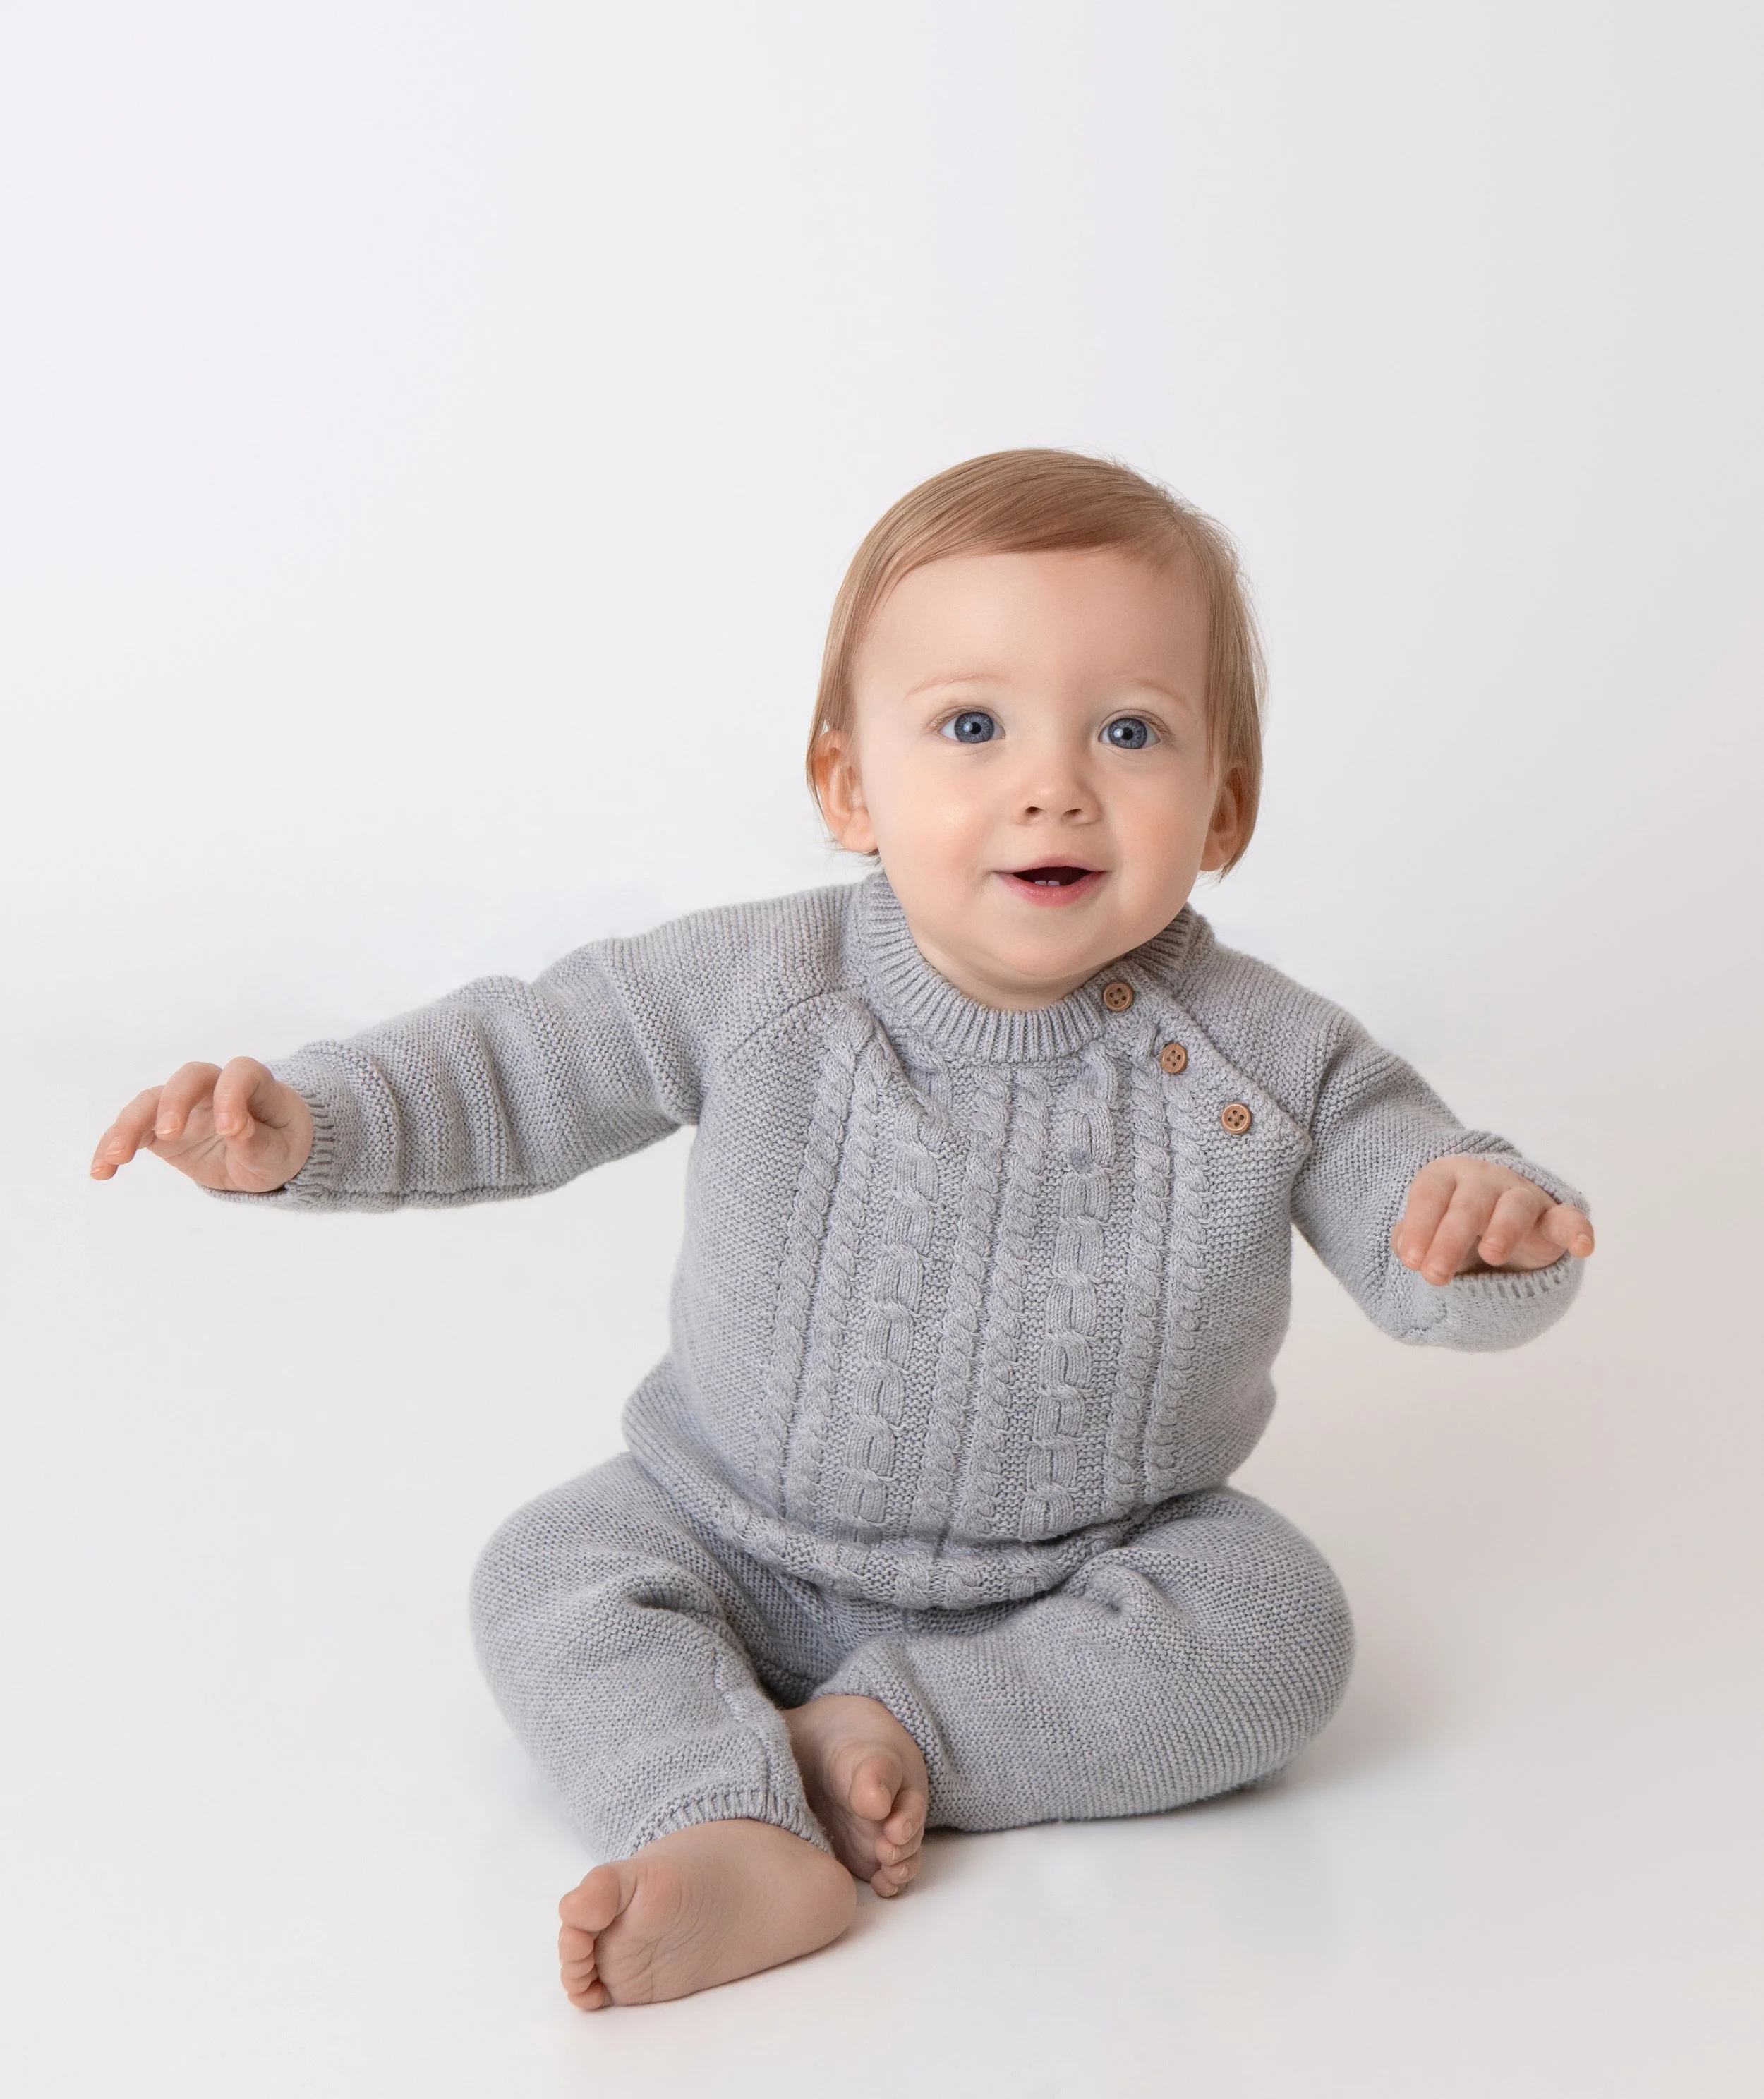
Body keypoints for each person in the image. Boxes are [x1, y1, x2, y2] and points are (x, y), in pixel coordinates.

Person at [89, 449, 1594, 2010]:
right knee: (547, 1572)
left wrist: (1477, 1234)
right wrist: (312, 1124)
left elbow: (1394, 1179)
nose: (1051, 781)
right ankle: (727, 1817)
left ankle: (901, 1732)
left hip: (1097, 1561)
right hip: (725, 1523)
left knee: (1280, 1634)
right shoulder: (761, 983)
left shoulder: (1266, 1054)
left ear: (1221, 806)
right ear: (845, 785)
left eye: (1128, 730)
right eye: (970, 725)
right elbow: (529, 1056)